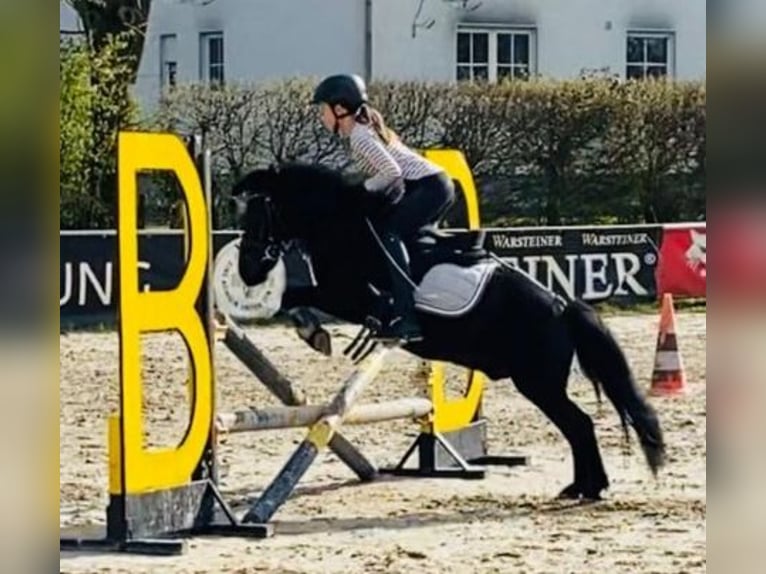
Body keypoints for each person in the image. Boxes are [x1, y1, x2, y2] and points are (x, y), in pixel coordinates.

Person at [312, 74, 456, 342]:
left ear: (340, 109)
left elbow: (392, 171)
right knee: (398, 236)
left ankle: (407, 315)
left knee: (390, 234)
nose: (321, 117)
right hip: (435, 185)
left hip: (429, 187)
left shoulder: (359, 136)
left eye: (323, 110)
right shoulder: (365, 129)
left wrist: (362, 190)